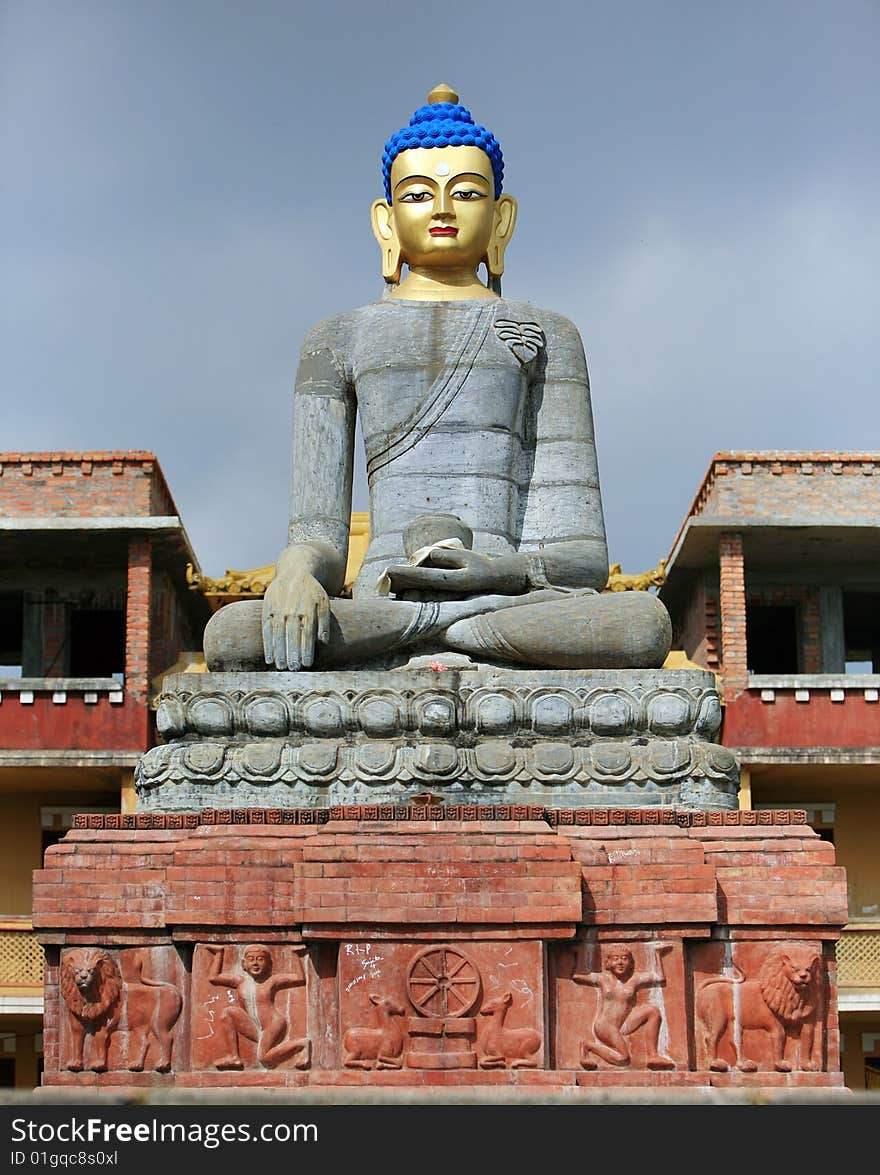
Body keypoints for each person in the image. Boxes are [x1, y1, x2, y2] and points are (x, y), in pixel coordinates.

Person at [204, 85, 671, 673]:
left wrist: (498, 573)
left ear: (501, 219)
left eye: (467, 193)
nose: (444, 209)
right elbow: (319, 537)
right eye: (419, 194)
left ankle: (441, 632)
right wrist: (296, 573)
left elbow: (580, 556)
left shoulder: (548, 334)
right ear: (386, 222)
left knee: (642, 625)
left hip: (508, 599)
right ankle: (449, 632)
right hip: (386, 599)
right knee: (231, 635)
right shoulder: (336, 339)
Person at [205, 944, 310, 1069]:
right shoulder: (240, 981)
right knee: (228, 1013)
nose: (255, 963)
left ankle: (302, 1044)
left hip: (273, 1024)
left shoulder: (271, 981)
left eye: (260, 959)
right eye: (251, 959)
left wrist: (296, 955)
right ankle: (233, 1057)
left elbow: (299, 978)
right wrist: (219, 954)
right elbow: (214, 977)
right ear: (244, 964)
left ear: (269, 964)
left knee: (264, 1058)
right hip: (254, 1025)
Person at [573, 943, 675, 1069]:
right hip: (606, 1025)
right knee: (623, 1058)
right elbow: (577, 976)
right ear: (608, 963)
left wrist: (657, 954)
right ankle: (587, 1046)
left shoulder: (634, 980)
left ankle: (653, 1056)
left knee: (653, 1011)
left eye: (624, 958)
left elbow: (659, 978)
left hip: (625, 1022)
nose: (620, 962)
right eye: (615, 959)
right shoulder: (602, 979)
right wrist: (579, 954)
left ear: (631, 963)